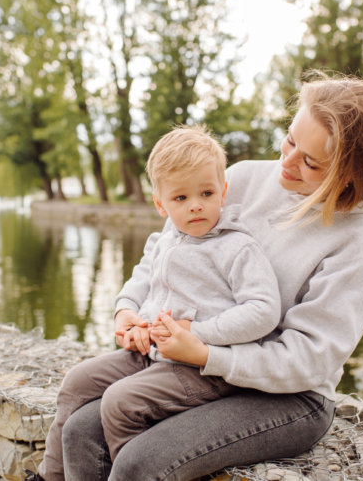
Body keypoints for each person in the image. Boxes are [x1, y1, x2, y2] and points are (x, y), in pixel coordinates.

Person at [36, 72, 363, 481]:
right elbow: (162, 253)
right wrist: (133, 314)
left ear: (350, 174)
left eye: (310, 162)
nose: (287, 161)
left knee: (140, 462)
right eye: (290, 140)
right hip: (196, 364)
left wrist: (206, 355)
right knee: (81, 431)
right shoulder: (241, 180)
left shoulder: (357, 246)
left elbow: (306, 361)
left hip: (289, 396)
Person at [32, 125, 282, 481]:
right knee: (76, 382)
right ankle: (48, 478)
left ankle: (133, 473)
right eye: (180, 199)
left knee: (121, 402)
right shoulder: (166, 240)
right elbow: (140, 280)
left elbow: (263, 311)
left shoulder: (237, 248)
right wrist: (126, 312)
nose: (195, 205)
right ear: (160, 203)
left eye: (206, 193)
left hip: (199, 367)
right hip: (150, 353)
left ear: (223, 193)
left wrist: (196, 333)